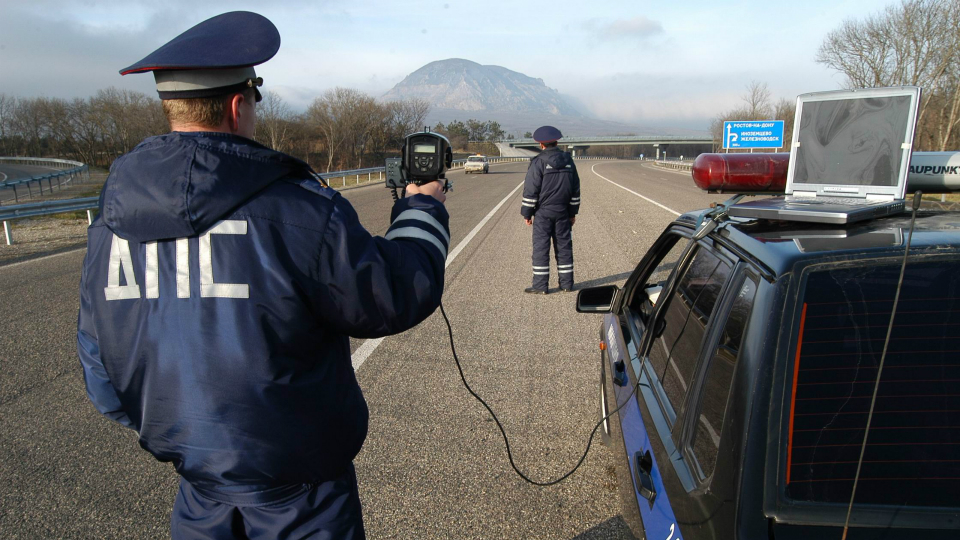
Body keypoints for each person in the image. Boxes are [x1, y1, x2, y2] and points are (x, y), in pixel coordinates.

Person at [76, 11, 449, 540]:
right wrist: (422, 210)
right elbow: (393, 294)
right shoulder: (299, 208)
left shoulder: (109, 222)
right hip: (303, 501)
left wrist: (189, 438)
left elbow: (99, 364)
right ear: (237, 104)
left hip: (198, 493)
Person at [520, 126, 581, 294]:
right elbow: (575, 189)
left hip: (543, 213)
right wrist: (572, 212)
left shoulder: (538, 162)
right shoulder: (569, 160)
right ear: (557, 141)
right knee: (564, 247)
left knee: (541, 248)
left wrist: (527, 213)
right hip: (562, 212)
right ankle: (567, 284)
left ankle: (540, 286)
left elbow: (531, 191)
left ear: (541, 144)